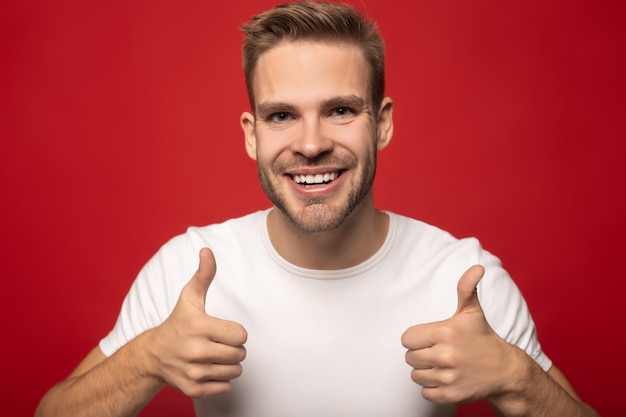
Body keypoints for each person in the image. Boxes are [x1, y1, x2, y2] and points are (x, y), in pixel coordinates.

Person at [36, 2, 598, 416]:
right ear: (252, 135)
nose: (310, 144)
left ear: (382, 123)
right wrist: (147, 359)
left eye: (339, 111)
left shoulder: (464, 279)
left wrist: (515, 379)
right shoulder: (189, 268)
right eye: (282, 116)